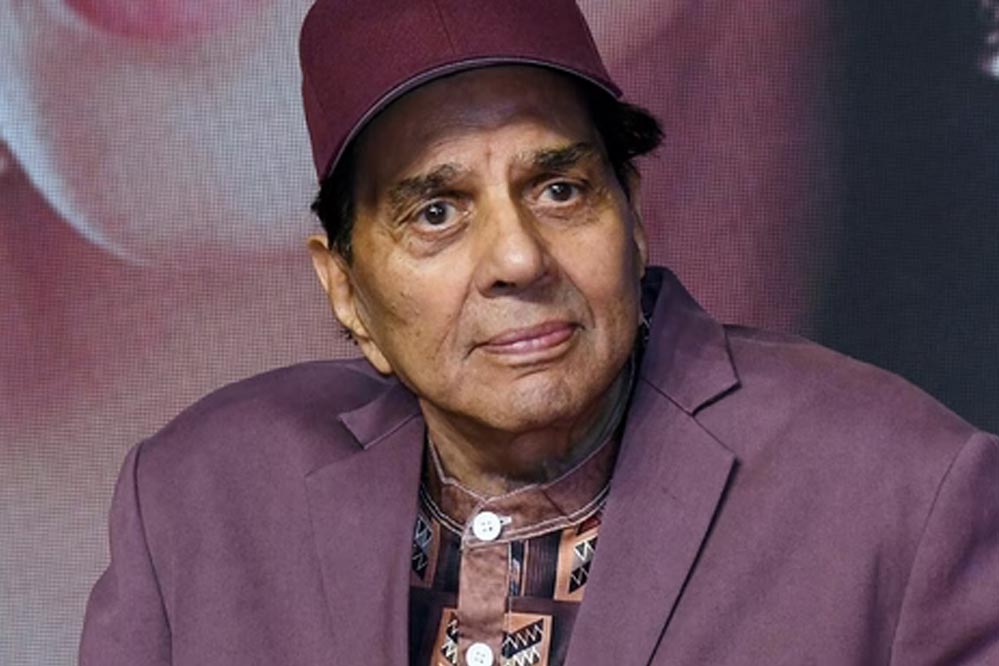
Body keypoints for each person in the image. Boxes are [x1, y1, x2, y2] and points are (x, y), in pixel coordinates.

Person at [80, 1, 999, 665]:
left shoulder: (895, 488)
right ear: (345, 288)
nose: (517, 258)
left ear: (630, 213)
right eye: (436, 212)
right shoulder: (198, 502)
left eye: (560, 189)